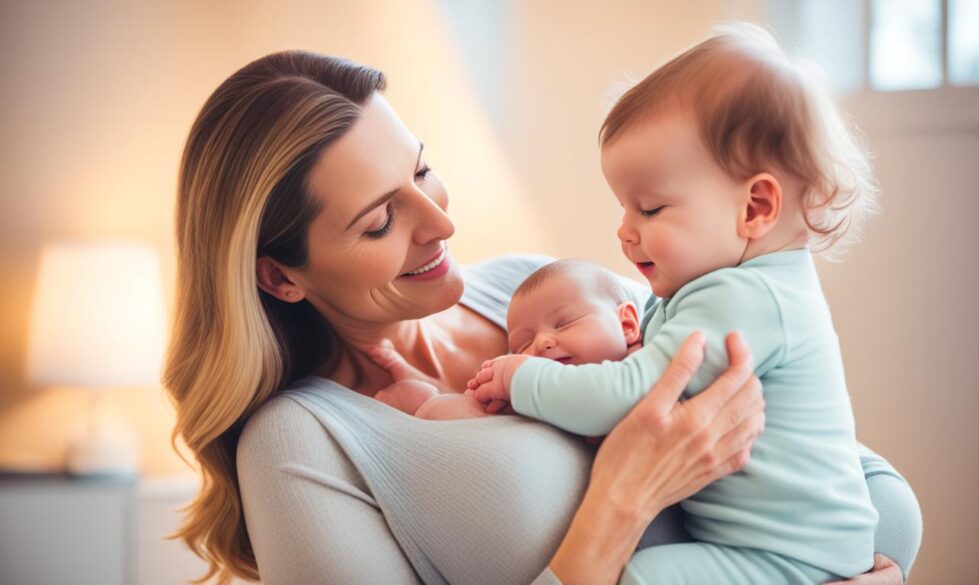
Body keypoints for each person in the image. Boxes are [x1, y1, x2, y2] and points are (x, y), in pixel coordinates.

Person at [162, 47, 921, 585]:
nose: (439, 223)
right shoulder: (300, 441)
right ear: (281, 276)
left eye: (422, 169)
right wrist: (620, 502)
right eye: (379, 221)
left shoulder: (536, 290)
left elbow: (834, 464)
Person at [469, 24, 882, 583]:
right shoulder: (725, 286)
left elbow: (624, 394)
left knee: (641, 578)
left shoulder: (744, 298)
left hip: (790, 560)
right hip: (794, 547)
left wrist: (522, 376)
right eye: (624, 207)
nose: (624, 232)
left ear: (755, 207)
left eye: (650, 209)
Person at [368, 259, 643, 419]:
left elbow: (606, 395)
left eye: (565, 323)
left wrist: (513, 377)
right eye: (522, 345)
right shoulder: (530, 400)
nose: (542, 343)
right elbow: (474, 420)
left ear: (627, 324)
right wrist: (428, 402)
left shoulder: (649, 362)